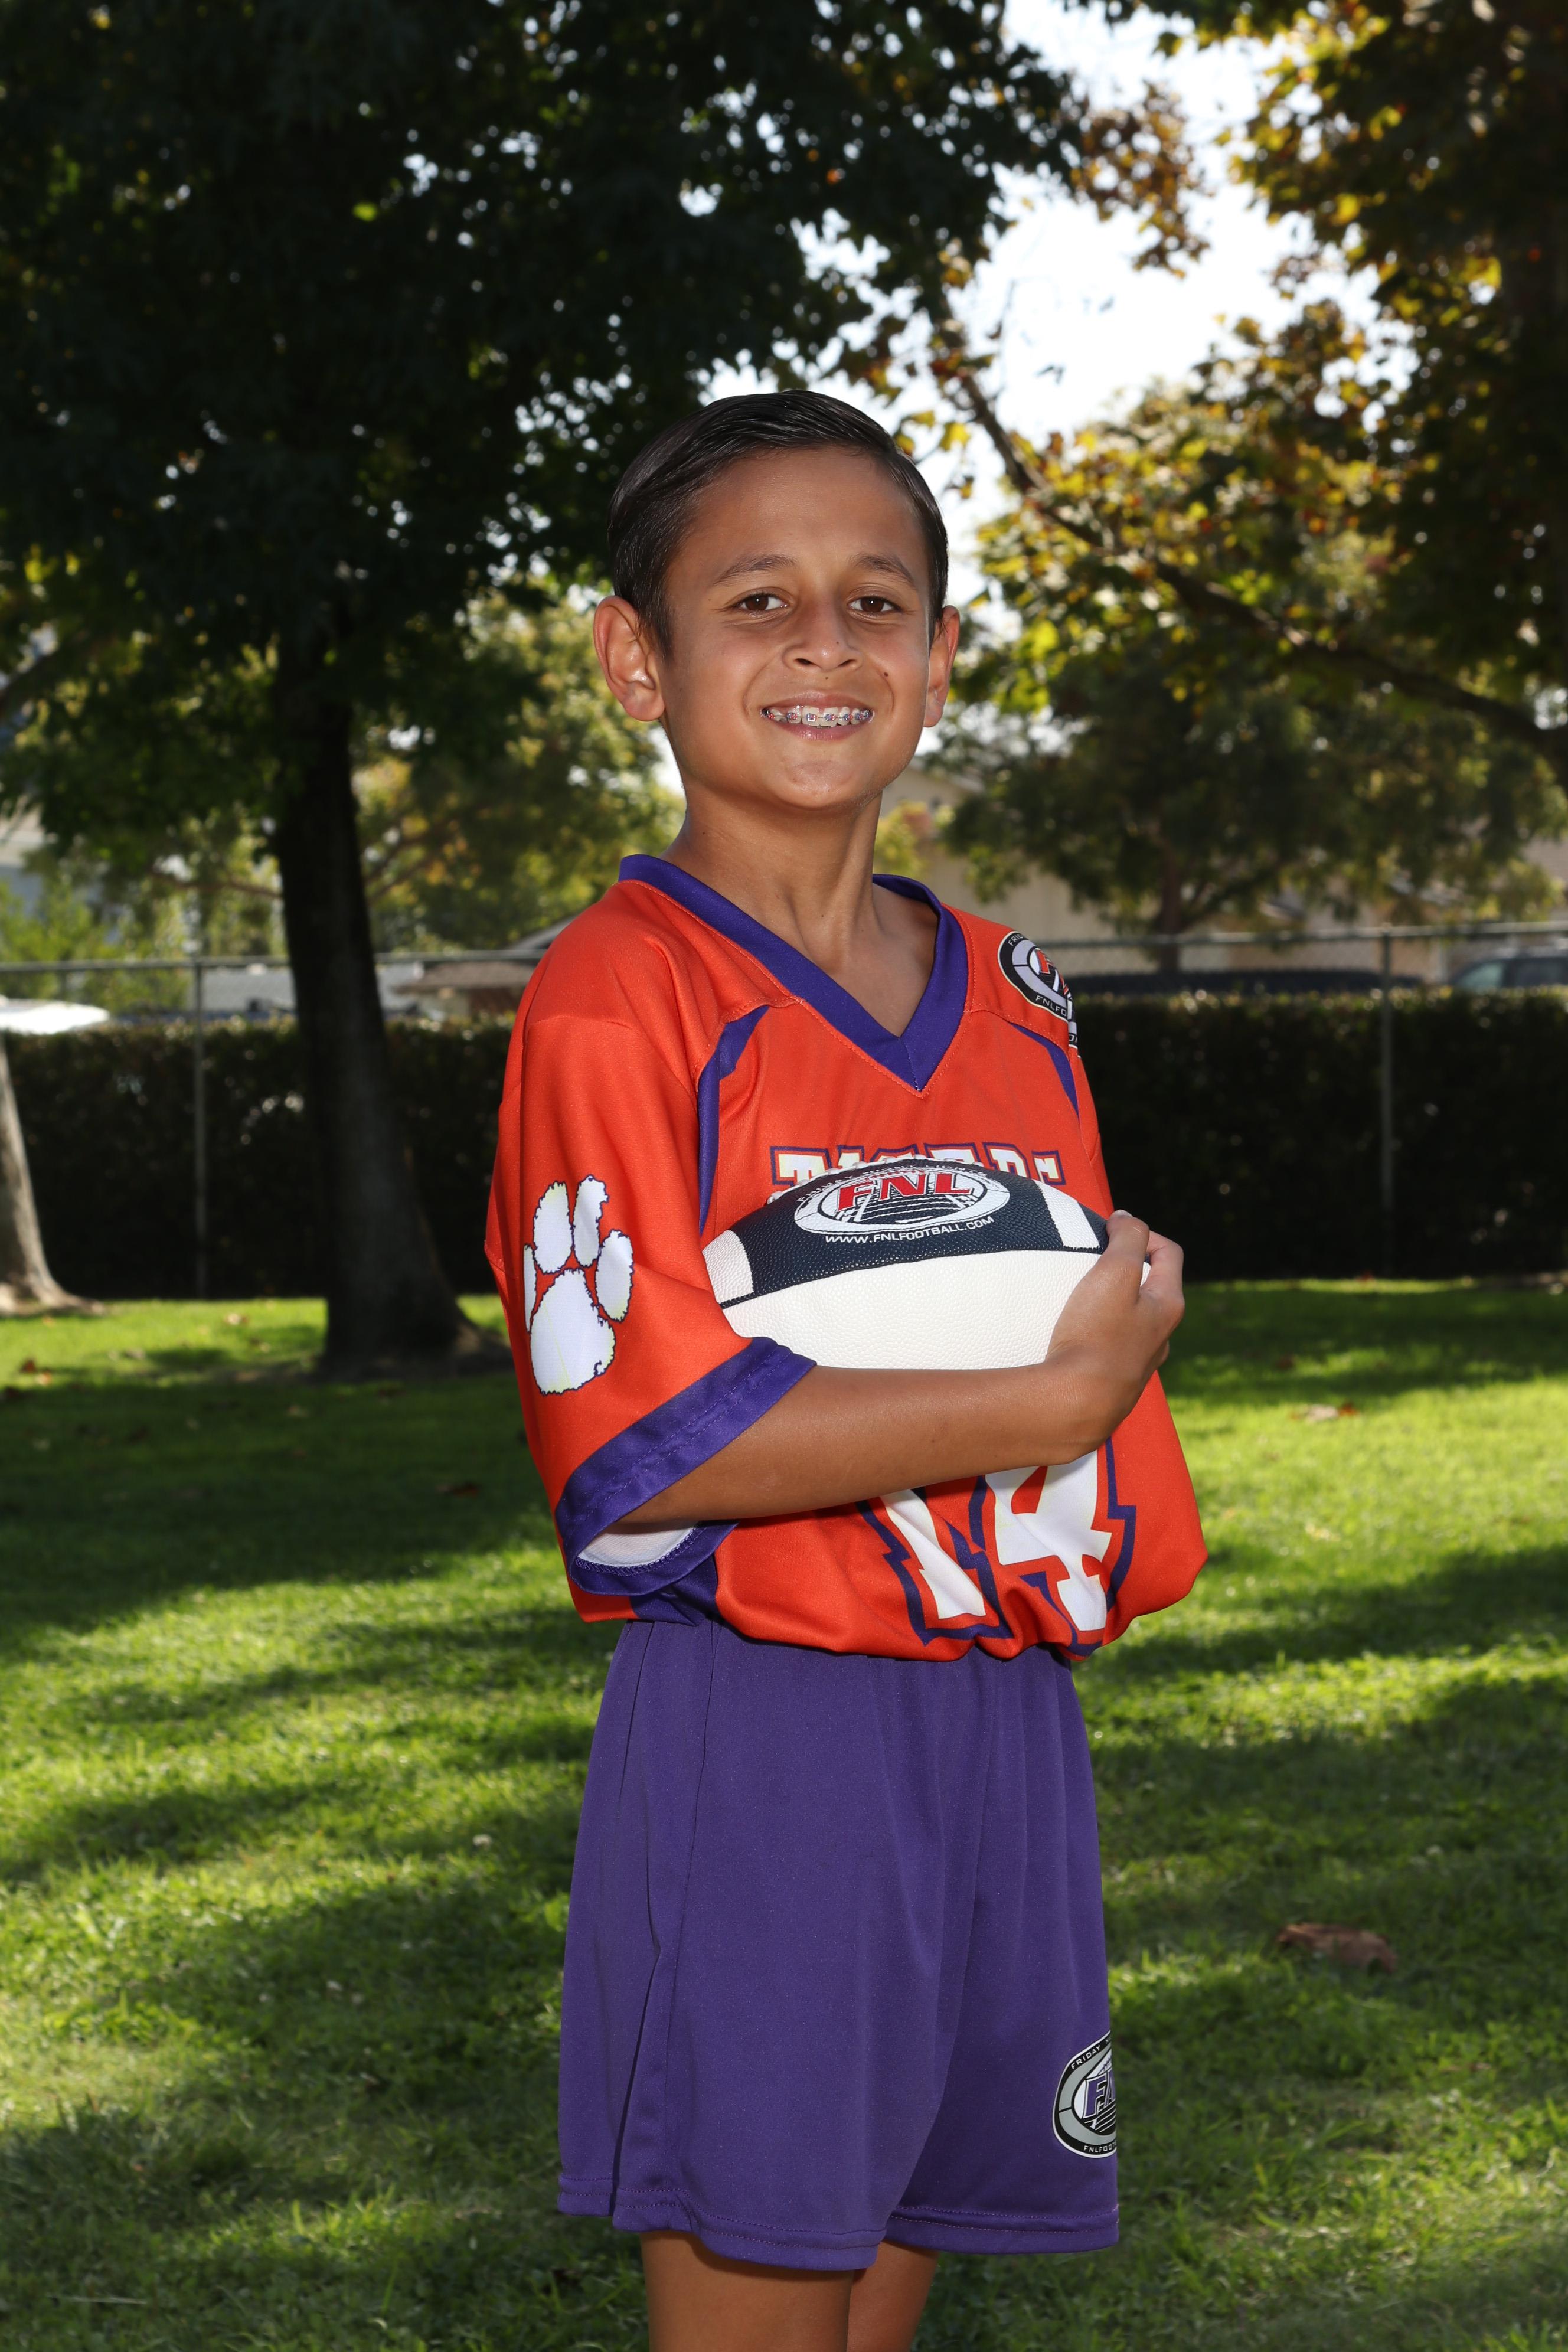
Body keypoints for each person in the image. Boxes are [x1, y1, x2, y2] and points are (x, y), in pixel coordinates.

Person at [486, 391, 1206, 2352]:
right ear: (637, 657)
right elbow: (643, 1440)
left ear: (940, 657)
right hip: (769, 1734)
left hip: (1001, 1722)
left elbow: (1064, 1351)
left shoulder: (1018, 993)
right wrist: (1053, 1404)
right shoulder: (618, 992)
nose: (825, 642)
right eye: (758, 600)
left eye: (877, 600)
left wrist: (1097, 1373)